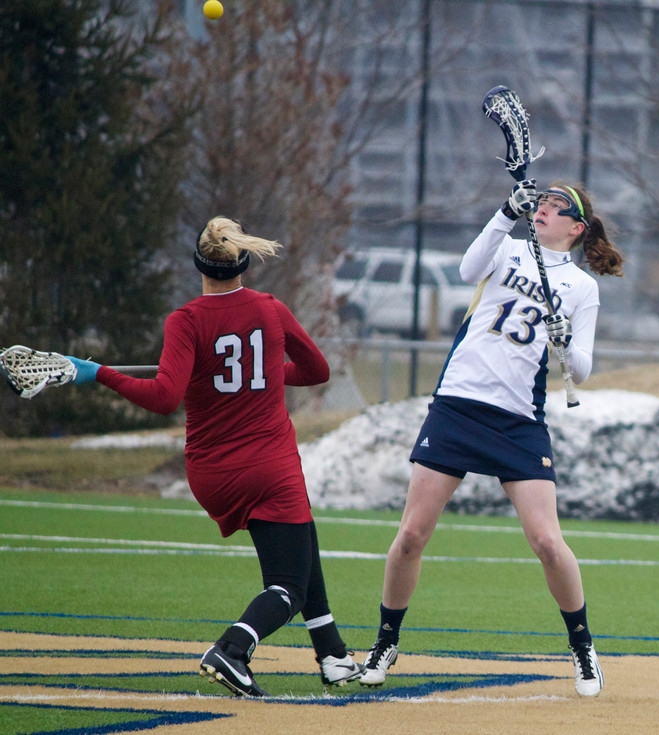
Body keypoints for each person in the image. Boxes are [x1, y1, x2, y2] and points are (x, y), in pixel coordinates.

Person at [63, 217, 364, 696]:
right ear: (243, 261)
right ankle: (232, 648)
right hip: (269, 464)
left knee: (302, 542)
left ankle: (332, 655)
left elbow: (164, 397)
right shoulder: (270, 309)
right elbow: (317, 370)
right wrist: (263, 373)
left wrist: (97, 372)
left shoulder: (184, 320)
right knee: (288, 586)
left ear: (198, 266)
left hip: (211, 471)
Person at [356, 179, 624, 697]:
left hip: (517, 420)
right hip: (457, 405)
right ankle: (386, 640)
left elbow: (583, 370)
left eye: (556, 206)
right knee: (411, 534)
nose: (544, 209)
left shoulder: (581, 287)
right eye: (540, 202)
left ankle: (583, 647)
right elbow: (466, 269)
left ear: (578, 227)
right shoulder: (509, 245)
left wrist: (564, 341)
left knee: (547, 541)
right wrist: (505, 212)